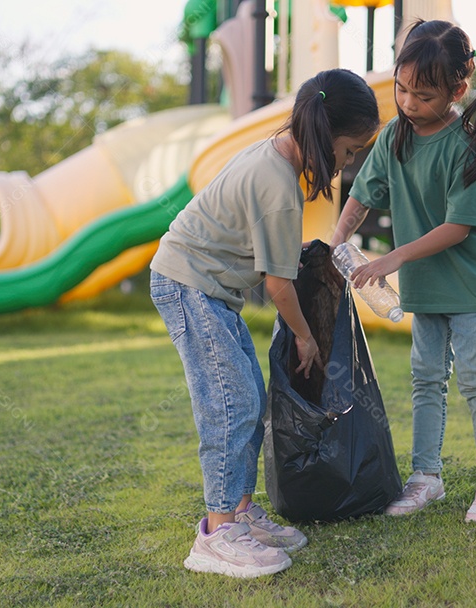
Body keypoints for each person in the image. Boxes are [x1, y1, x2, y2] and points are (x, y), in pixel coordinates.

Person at [150, 68, 380, 577]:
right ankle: (216, 533)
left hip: (210, 289)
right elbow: (277, 288)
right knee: (231, 406)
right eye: (347, 152)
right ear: (325, 134)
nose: (345, 164)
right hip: (189, 285)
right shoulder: (278, 185)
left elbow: (260, 251)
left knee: (245, 398)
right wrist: (305, 338)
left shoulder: (276, 152)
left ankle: (239, 510)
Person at [329, 20, 476, 525]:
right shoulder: (393, 137)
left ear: (459, 89)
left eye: (423, 94)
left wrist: (390, 259)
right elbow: (361, 197)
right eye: (402, 89)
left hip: (473, 284)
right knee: (426, 379)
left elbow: (458, 227)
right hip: (425, 286)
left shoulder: (470, 143)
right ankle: (426, 477)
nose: (408, 103)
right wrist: (336, 242)